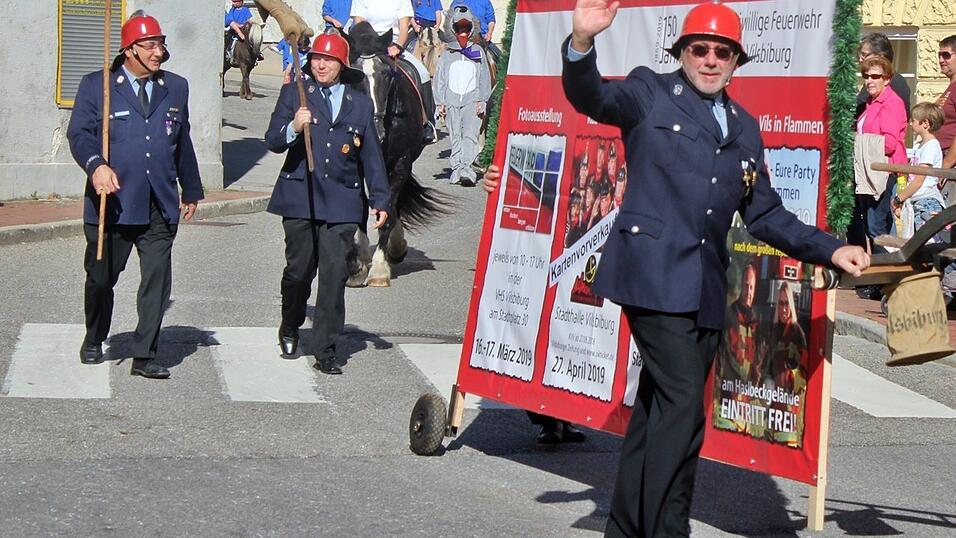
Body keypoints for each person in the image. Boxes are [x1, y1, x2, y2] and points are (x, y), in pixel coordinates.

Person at [487, 2, 869, 535]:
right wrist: (581, 43)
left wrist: (830, 249)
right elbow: (592, 96)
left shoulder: (744, 127)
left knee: (659, 409)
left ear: (736, 60)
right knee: (683, 405)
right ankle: (667, 528)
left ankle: (626, 527)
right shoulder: (649, 91)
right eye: (700, 49)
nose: (710, 60)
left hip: (704, 286)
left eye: (722, 52)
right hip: (650, 275)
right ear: (682, 53)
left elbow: (764, 214)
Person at [67, 11, 203, 379]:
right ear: (129, 50)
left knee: (157, 280)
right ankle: (95, 335)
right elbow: (79, 134)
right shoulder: (98, 85)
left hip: (159, 202)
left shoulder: (176, 87)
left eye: (161, 44)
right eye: (150, 45)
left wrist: (191, 188)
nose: (158, 52)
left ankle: (145, 354)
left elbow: (181, 140)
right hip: (113, 202)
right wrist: (96, 165)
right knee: (100, 279)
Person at [264, 33, 390, 375]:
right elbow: (273, 140)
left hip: (342, 201)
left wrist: (380, 198)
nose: (321, 65)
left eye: (329, 60)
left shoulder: (359, 103)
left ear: (342, 65)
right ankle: (290, 323)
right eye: (317, 59)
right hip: (301, 198)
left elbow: (371, 156)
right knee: (298, 272)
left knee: (334, 276)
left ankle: (326, 348)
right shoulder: (295, 94)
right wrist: (293, 126)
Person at [350, 0, 437, 142]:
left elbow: (404, 28)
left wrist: (397, 46)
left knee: (423, 73)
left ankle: (426, 122)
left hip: (391, 43)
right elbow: (358, 24)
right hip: (366, 46)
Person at [433, 9, 492, 186]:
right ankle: (457, 167)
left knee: (470, 134)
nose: (463, 31)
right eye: (459, 27)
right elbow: (439, 79)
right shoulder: (447, 54)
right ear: (454, 29)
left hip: (472, 100)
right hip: (451, 100)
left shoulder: (478, 52)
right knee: (455, 135)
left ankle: (467, 168)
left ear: (472, 28)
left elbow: (484, 77)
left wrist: (483, 99)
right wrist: (440, 102)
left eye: (466, 27)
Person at [856, 56, 908, 255]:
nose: (869, 80)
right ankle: (882, 271)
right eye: (866, 76)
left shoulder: (891, 102)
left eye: (875, 76)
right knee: (875, 227)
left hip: (884, 171)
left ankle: (888, 270)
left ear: (887, 79)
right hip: (870, 171)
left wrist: (858, 143)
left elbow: (889, 144)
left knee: (876, 228)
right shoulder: (872, 102)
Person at [892, 102, 947, 240]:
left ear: (925, 123)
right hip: (916, 200)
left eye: (914, 120)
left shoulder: (930, 147)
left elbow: (918, 181)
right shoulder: (919, 145)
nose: (910, 124)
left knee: (927, 243)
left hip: (926, 201)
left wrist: (899, 199)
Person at [764, 281, 808, 447]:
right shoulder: (774, 331)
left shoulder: (797, 332)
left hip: (790, 405)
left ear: (792, 306)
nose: (783, 309)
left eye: (787, 304)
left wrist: (792, 380)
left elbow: (805, 370)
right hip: (774, 404)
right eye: (781, 304)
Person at [854, 33, 911, 124]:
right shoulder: (898, 79)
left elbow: (857, 110)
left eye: (864, 55)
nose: (860, 60)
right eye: (860, 55)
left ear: (880, 56)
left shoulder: (881, 80)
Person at [935, 36, 956, 202]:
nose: (941, 60)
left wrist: (946, 164)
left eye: (946, 55)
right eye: (939, 55)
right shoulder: (951, 87)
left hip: (951, 162)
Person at [224, 0, 254, 64]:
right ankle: (228, 53)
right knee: (229, 40)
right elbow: (231, 21)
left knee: (252, 40)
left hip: (244, 30)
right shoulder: (232, 10)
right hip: (234, 30)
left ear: (241, 2)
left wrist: (247, 24)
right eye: (233, 2)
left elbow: (249, 20)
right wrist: (239, 26)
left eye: (235, 2)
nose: (233, 3)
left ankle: (256, 54)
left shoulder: (245, 10)